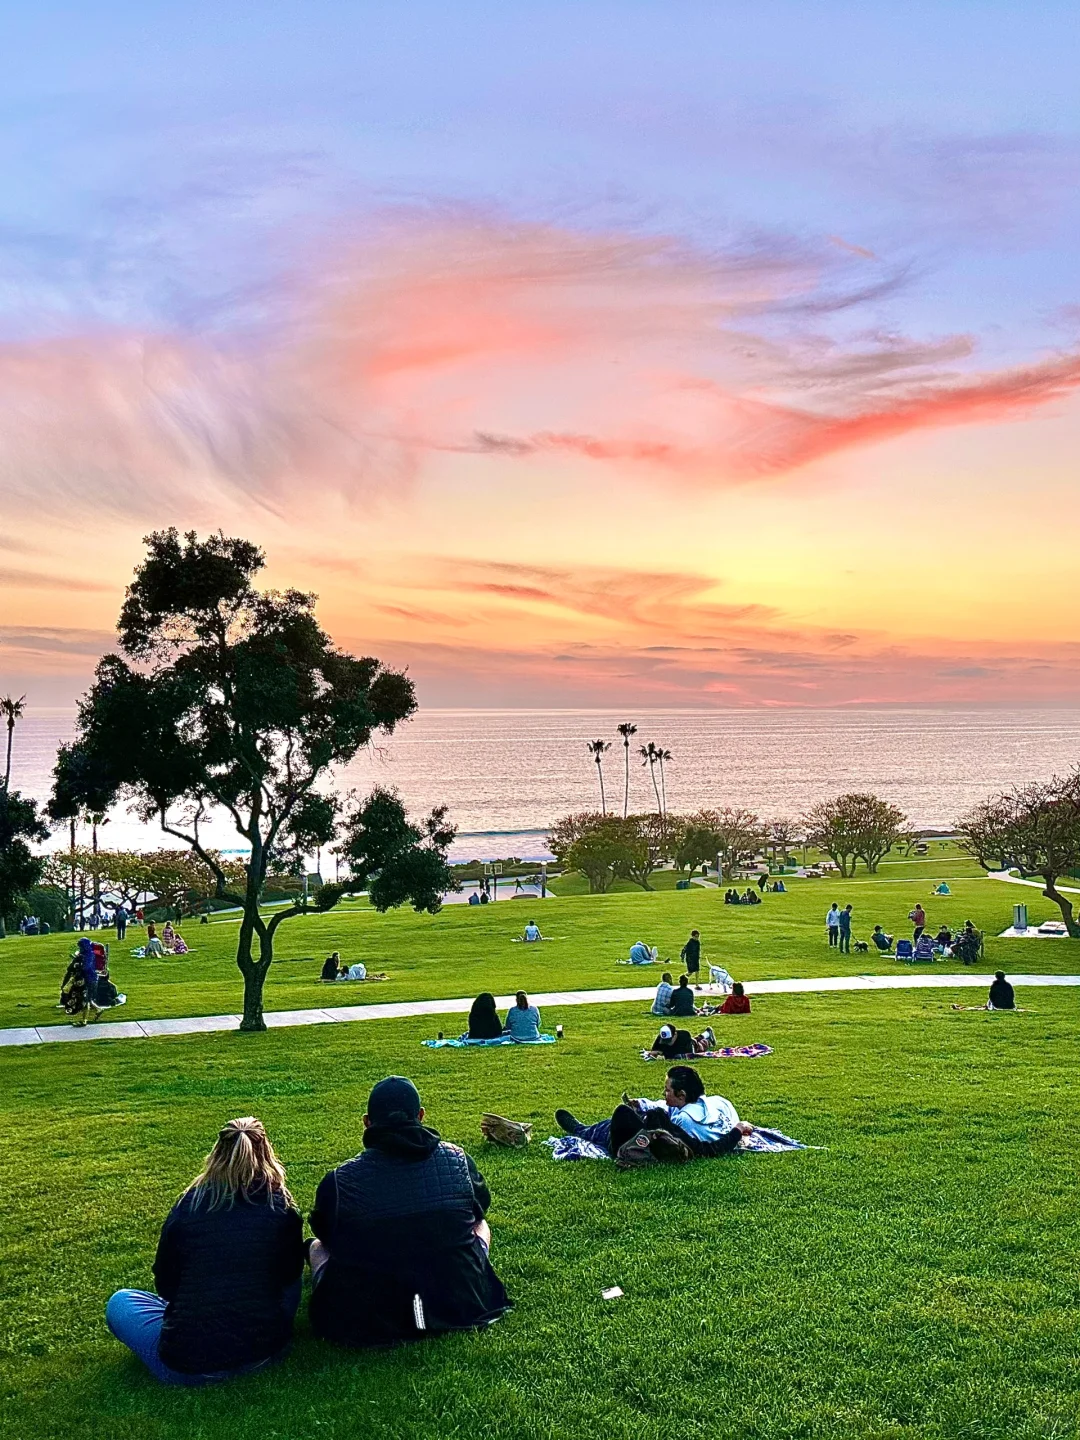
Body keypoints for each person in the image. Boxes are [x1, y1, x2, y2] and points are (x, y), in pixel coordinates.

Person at [308, 1077, 511, 1347]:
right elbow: (479, 1209)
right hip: (459, 1299)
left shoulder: (340, 1180)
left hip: (374, 1313)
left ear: (367, 1122)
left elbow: (326, 1233)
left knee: (316, 1247)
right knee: (480, 1224)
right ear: (421, 1116)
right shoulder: (458, 1159)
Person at [105, 1117, 304, 1384]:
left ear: (216, 1153)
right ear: (266, 1151)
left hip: (189, 1364)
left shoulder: (189, 1206)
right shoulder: (281, 1207)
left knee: (121, 1301)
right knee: (290, 1278)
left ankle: (203, 1326)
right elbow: (289, 1275)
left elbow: (166, 1284)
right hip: (265, 1352)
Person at [555, 1066, 754, 1160]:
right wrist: (738, 1129)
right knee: (645, 1113)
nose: (664, 1093)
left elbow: (706, 1150)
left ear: (682, 1094)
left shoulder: (684, 1121)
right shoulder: (718, 1102)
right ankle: (584, 1129)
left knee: (615, 1120)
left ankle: (580, 1130)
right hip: (653, 1130)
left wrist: (736, 1132)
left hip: (629, 1143)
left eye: (667, 1090)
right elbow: (666, 1107)